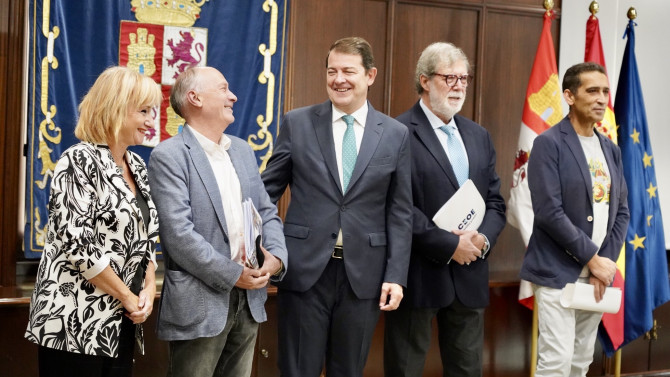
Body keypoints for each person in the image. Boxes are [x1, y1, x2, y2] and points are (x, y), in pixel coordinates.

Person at [261, 36, 412, 377]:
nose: (338, 79)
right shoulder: (297, 123)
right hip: (303, 271)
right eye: (332, 71)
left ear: (370, 76)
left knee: (349, 370)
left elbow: (400, 212)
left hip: (364, 276)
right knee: (298, 369)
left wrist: (395, 275)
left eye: (348, 71)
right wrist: (263, 246)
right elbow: (265, 194)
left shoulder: (395, 134)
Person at [148, 66, 287, 377]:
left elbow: (266, 211)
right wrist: (232, 274)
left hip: (250, 298)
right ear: (195, 98)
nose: (233, 96)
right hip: (200, 302)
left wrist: (276, 257)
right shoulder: (169, 155)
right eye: (224, 89)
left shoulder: (243, 150)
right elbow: (178, 235)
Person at [24, 66, 162, 376]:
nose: (152, 121)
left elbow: (146, 240)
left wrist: (148, 290)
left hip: (123, 322)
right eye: (143, 111)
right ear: (116, 109)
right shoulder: (77, 161)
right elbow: (80, 247)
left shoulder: (137, 165)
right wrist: (127, 296)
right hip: (73, 323)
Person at [383, 42, 507, 377]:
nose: (459, 86)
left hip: (469, 275)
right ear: (424, 80)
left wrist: (481, 241)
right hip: (418, 275)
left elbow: (495, 201)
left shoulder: (478, 136)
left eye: (464, 79)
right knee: (404, 370)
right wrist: (451, 245)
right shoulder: (396, 132)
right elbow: (397, 206)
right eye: (450, 78)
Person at [520, 62, 630, 376]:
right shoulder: (548, 144)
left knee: (581, 362)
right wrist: (591, 258)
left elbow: (621, 211)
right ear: (569, 95)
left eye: (605, 91)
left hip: (597, 277)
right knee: (555, 362)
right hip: (556, 272)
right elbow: (549, 212)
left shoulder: (611, 149)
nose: (601, 99)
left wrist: (603, 265)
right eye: (592, 91)